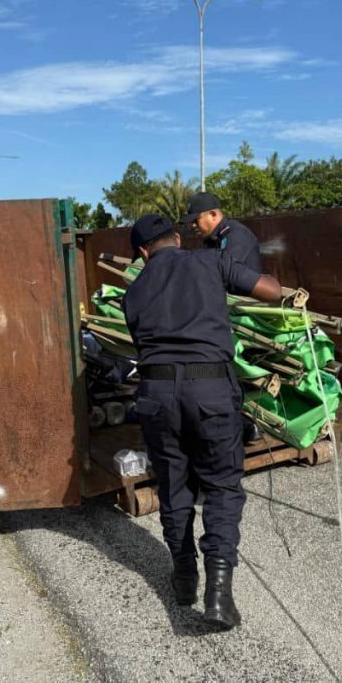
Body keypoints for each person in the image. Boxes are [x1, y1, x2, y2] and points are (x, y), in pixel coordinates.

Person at [122, 214, 281, 630]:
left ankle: (183, 577)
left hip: (156, 395)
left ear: (142, 253)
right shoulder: (210, 261)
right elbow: (271, 291)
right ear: (177, 238)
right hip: (210, 390)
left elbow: (144, 343)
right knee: (222, 486)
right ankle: (218, 593)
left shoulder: (133, 292)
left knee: (173, 485)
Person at [181, 191, 262, 272]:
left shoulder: (235, 235)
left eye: (196, 220)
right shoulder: (213, 238)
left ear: (213, 215)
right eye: (192, 222)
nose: (193, 225)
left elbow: (224, 274)